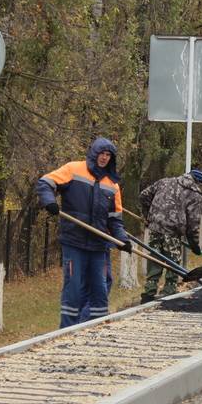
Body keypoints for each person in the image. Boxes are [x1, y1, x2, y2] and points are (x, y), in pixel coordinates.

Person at [36, 137, 132, 328]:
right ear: (94, 153)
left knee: (100, 290)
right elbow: (45, 182)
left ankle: (95, 327)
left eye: (108, 155)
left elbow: (115, 219)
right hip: (74, 242)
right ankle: (67, 330)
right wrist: (50, 202)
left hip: (99, 246)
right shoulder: (73, 169)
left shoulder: (112, 185)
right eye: (102, 154)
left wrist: (122, 240)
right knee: (74, 289)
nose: (104, 158)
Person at [138, 168, 202, 304]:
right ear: (198, 182)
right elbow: (193, 222)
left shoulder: (165, 182)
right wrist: (194, 243)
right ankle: (168, 293)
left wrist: (148, 215)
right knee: (172, 262)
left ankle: (149, 292)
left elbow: (143, 196)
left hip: (155, 228)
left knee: (155, 259)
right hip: (172, 232)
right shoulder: (195, 193)